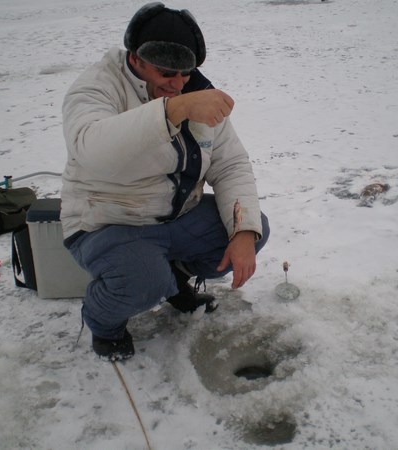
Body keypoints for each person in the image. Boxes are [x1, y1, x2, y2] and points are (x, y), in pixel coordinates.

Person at [60, 2, 270, 361]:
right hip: (106, 223)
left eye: (186, 73)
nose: (177, 83)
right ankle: (103, 321)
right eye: (166, 72)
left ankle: (172, 280)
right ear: (136, 58)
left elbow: (231, 165)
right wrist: (173, 111)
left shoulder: (197, 91)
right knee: (143, 280)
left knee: (252, 229)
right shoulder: (97, 86)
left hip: (174, 220)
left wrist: (243, 231)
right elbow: (92, 150)